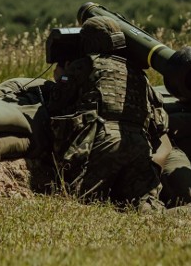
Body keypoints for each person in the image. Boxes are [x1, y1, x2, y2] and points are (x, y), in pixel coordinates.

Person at [46, 16, 166, 212]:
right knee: (145, 203)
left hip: (104, 138)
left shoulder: (85, 64)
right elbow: (159, 118)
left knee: (83, 200)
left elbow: (56, 103)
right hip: (139, 142)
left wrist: (61, 77)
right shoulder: (137, 72)